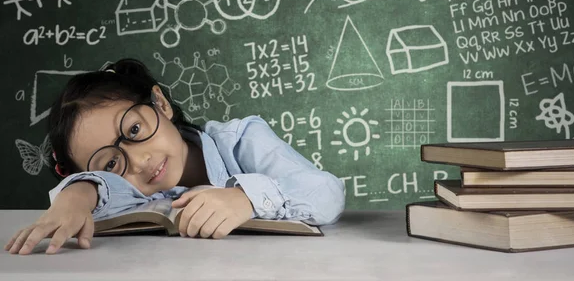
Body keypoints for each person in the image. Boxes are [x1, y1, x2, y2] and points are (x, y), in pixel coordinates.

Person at [4, 58, 345, 255]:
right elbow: (105, 189)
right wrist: (76, 195)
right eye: (110, 163)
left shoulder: (242, 139)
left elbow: (326, 191)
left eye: (134, 131)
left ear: (160, 104)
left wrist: (245, 199)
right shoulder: (126, 190)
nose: (138, 163)